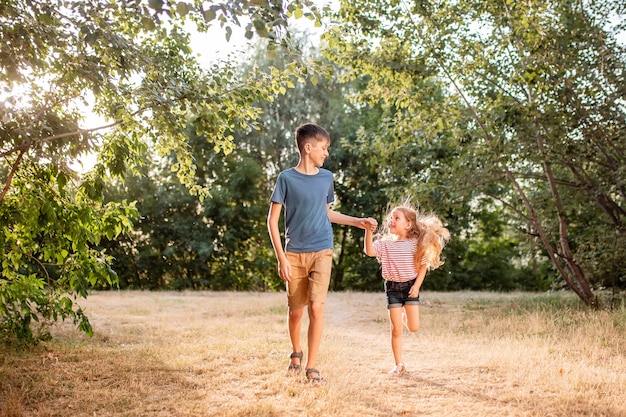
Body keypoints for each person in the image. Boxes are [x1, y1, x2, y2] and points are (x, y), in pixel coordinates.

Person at [267, 123, 377, 384]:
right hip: (294, 254)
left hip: (322, 250)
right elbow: (272, 222)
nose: (327, 153)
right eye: (324, 148)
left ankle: (312, 367)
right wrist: (281, 258)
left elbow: (327, 213)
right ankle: (296, 353)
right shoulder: (286, 178)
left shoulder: (326, 178)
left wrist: (357, 221)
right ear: (308, 148)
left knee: (316, 308)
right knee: (296, 312)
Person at [363, 203, 450, 376]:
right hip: (393, 289)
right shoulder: (385, 244)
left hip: (410, 287)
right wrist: (368, 231)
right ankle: (399, 364)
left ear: (408, 224)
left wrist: (416, 287)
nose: (392, 220)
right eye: (391, 218)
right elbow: (369, 251)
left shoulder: (415, 244)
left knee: (414, 327)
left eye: (397, 218)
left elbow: (423, 266)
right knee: (396, 329)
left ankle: (404, 314)